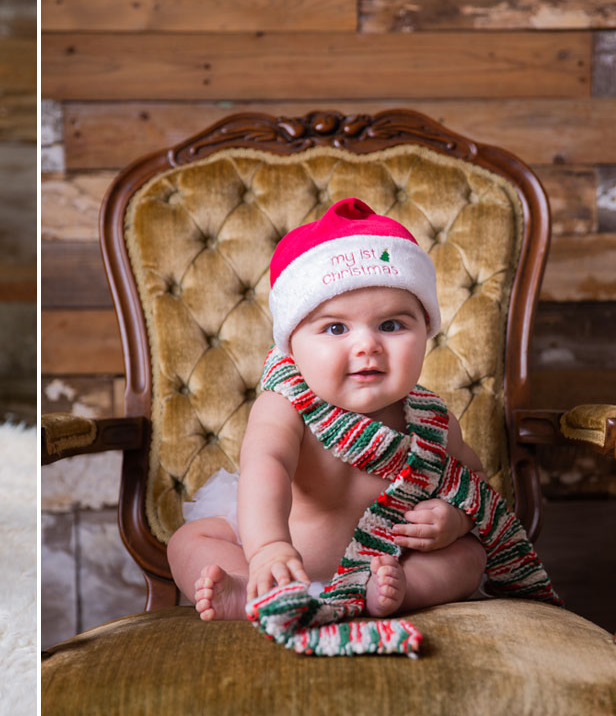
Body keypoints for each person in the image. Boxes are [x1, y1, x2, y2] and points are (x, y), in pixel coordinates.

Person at [167, 198, 488, 624]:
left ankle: (399, 592)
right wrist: (268, 548)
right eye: (335, 328)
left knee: (468, 557)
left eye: (392, 325)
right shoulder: (286, 405)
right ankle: (251, 590)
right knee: (191, 539)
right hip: (283, 559)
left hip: (390, 560)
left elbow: (474, 483)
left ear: (425, 331)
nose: (367, 345)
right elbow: (267, 466)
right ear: (292, 346)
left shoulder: (430, 420)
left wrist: (454, 520)